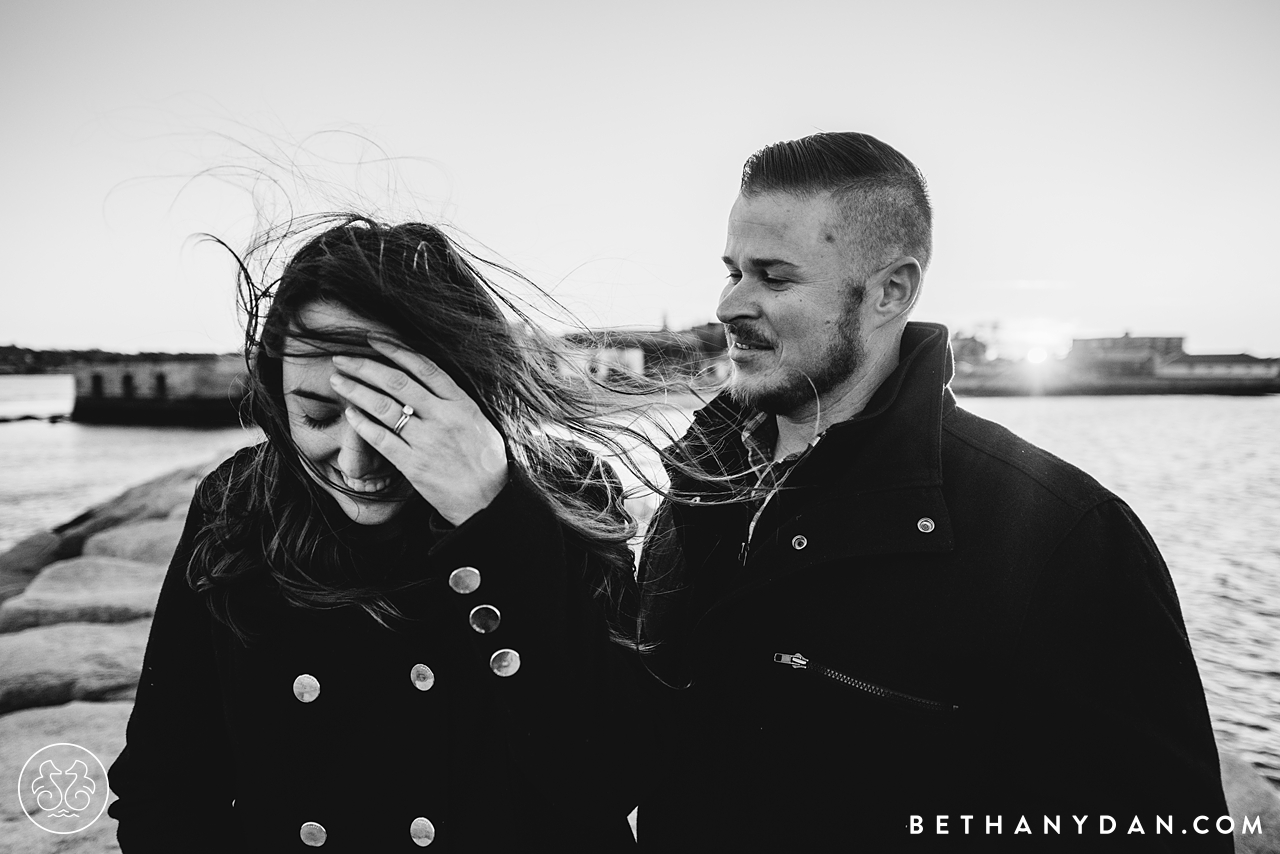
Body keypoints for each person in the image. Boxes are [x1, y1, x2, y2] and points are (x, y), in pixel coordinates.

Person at [628, 133, 1232, 851]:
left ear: (891, 291)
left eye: (773, 277)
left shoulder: (1061, 535)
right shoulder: (698, 487)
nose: (730, 304)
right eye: (731, 270)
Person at [107, 216, 648, 851]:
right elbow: (165, 790)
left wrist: (492, 520)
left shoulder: (571, 492)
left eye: (395, 415)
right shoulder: (239, 505)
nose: (356, 461)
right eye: (318, 414)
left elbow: (604, 788)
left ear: (470, 388)